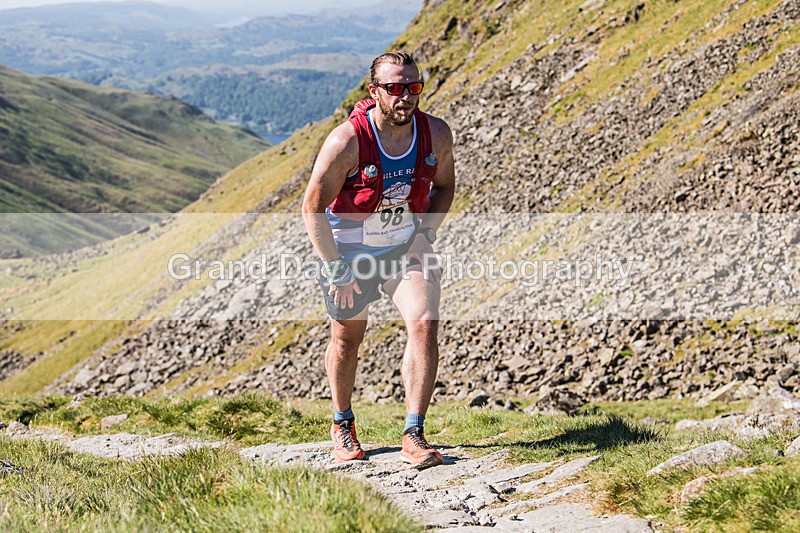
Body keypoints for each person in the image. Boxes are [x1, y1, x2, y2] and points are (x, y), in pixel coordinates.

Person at [302, 50, 455, 469]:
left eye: (413, 87)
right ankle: (342, 421)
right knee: (347, 337)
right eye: (394, 88)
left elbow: (445, 187)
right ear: (375, 92)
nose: (405, 96)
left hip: (404, 246)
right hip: (348, 251)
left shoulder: (436, 133)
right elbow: (312, 207)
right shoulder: (347, 141)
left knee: (424, 322)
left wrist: (425, 234)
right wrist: (336, 266)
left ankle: (413, 433)